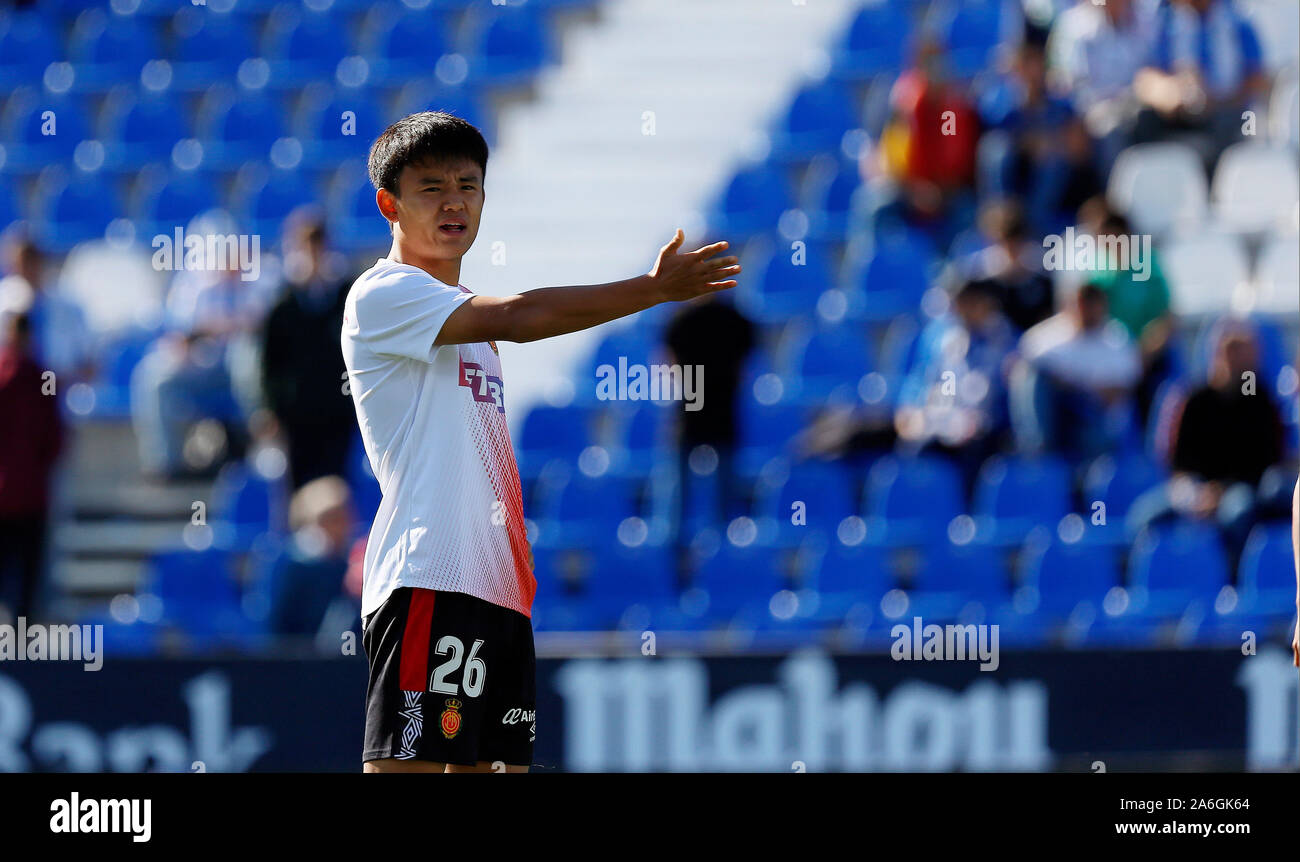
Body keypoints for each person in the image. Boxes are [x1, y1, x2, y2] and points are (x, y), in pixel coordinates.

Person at [343, 112, 740, 773]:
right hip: (429, 575)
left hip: (497, 592)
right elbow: (525, 316)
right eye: (431, 187)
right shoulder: (386, 294)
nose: (453, 203)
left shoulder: (463, 315)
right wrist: (652, 289)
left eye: (468, 186)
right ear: (390, 204)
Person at [1128, 319, 1286, 559]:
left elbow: (1268, 461)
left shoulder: (1261, 402)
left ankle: (1231, 578)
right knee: (1143, 516)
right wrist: (1197, 494)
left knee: (1238, 513)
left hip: (1240, 489)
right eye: (1229, 350)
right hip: (1196, 489)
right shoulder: (1193, 400)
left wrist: (1221, 491)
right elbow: (1177, 463)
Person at [894, 277, 1017, 496]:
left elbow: (1001, 397)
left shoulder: (1007, 342)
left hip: (989, 430)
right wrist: (913, 410)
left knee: (977, 456)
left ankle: (970, 516)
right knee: (915, 448)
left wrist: (976, 420)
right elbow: (924, 381)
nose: (963, 311)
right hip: (945, 424)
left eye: (970, 303)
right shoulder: (945, 339)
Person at [260, 210, 356, 489]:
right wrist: (271, 410)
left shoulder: (345, 296)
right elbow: (270, 363)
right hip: (297, 416)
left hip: (338, 411)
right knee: (300, 487)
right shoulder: (282, 305)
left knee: (335, 485)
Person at [662, 292, 755, 573]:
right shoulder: (686, 320)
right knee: (680, 498)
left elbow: (671, 367)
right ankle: (681, 564)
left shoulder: (731, 320)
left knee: (717, 497)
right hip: (699, 417)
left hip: (712, 415)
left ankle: (716, 564)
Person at [1010, 281, 1141, 461]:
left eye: (1091, 305)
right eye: (1081, 304)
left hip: (1095, 418)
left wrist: (1074, 383)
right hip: (1057, 412)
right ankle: (1036, 448)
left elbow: (1114, 394)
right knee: (1030, 376)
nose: (1085, 310)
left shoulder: (1118, 339)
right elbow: (1025, 359)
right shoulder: (1050, 333)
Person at [1133, 0, 1267, 168]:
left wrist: (1215, 100)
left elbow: (1257, 81)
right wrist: (1173, 93)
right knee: (1143, 121)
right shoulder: (1165, 23)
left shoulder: (1238, 22)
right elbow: (1146, 78)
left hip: (1225, 115)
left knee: (1228, 127)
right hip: (1179, 115)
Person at [0, 310, 64, 619]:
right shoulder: (44, 378)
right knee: (27, 581)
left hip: (11, 494)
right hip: (32, 496)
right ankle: (22, 650)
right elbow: (55, 439)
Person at [266, 476, 357, 639]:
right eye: (329, 519)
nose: (338, 527)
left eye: (342, 517)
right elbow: (281, 631)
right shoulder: (294, 569)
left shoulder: (357, 567)